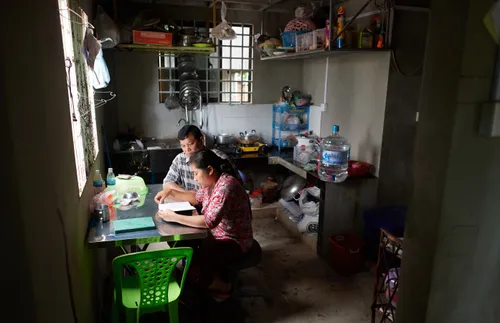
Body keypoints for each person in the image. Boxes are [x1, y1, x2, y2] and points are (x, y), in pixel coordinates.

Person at [156, 149, 253, 297]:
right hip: (216, 236)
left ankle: (225, 288)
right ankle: (204, 284)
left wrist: (174, 217)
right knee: (184, 249)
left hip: (233, 241)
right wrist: (170, 192)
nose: (195, 178)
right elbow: (195, 197)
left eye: (196, 173)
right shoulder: (212, 184)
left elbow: (208, 221)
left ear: (209, 170)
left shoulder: (226, 186)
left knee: (194, 272)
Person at [155, 125, 240, 202]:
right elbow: (167, 183)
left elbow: (231, 190)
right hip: (194, 204)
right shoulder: (180, 159)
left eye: (190, 144)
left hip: (215, 205)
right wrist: (188, 194)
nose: (187, 150)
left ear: (201, 140)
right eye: (183, 146)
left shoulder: (217, 158)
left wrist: (190, 196)